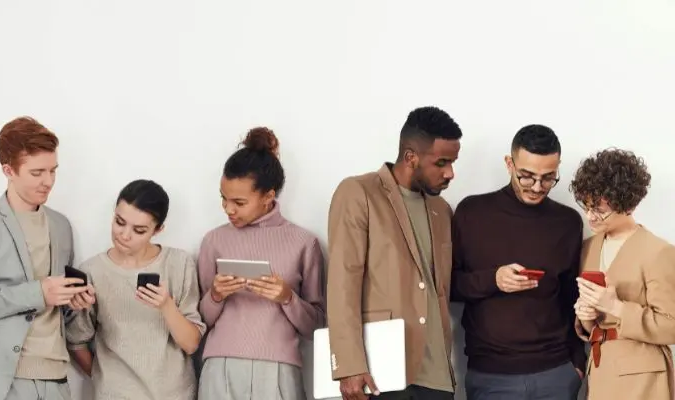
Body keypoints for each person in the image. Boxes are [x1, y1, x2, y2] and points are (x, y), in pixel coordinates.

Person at [327, 106, 462, 400]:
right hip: (381, 373)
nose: (450, 172)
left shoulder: (442, 210)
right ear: (410, 157)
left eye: (452, 162)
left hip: (437, 378)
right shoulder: (358, 192)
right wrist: (348, 364)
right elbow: (342, 283)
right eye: (441, 162)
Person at [0, 116, 94, 400]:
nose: (48, 182)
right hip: (3, 380)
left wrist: (76, 303)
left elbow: (59, 310)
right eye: (37, 172)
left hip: (56, 379)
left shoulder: (60, 226)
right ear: (8, 170)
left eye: (53, 170)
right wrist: (37, 292)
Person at [450, 124, 585, 400]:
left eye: (548, 178)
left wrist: (578, 363)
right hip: (492, 376)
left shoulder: (568, 222)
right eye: (527, 177)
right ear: (509, 164)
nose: (537, 187)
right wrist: (493, 280)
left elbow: (572, 297)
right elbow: (447, 286)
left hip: (557, 373)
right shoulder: (472, 212)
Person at [197, 127, 325, 400]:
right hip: (221, 366)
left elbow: (316, 327)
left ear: (268, 197)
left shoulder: (304, 243)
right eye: (223, 198)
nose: (229, 209)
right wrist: (216, 295)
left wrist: (287, 297)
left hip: (279, 368)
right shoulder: (213, 240)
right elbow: (200, 321)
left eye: (239, 202)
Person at [66, 179, 206, 400]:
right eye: (119, 222)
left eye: (139, 230)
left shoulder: (179, 264)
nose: (124, 235)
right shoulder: (93, 271)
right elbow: (76, 341)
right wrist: (107, 382)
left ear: (158, 229)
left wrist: (166, 305)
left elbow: (191, 345)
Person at [570, 148, 675, 399]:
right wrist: (586, 317)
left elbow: (672, 325)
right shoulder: (589, 247)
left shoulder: (659, 252)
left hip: (643, 377)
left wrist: (617, 307)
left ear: (628, 204)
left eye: (599, 209)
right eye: (586, 205)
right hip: (600, 369)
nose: (589, 216)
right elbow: (597, 324)